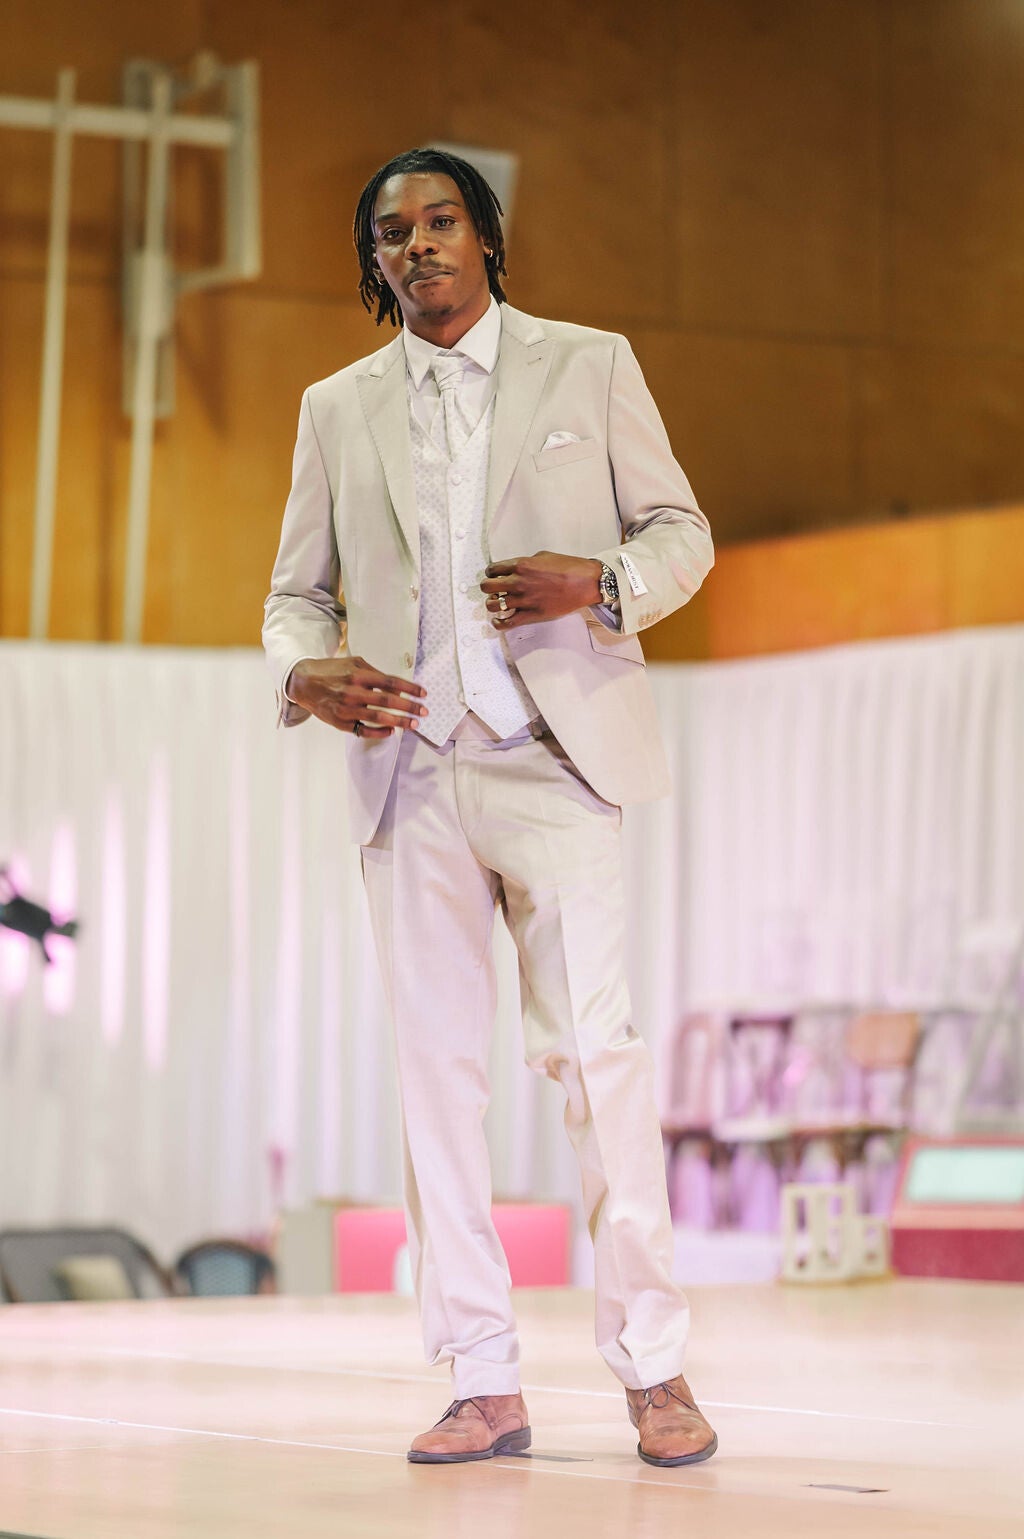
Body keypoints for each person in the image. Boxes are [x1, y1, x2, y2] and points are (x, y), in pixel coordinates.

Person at [263, 147, 717, 1468]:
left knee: (598, 1061)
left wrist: (602, 583)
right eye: (391, 233)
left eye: (440, 220)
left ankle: (654, 1368)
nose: (417, 245)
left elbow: (681, 532)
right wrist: (301, 671)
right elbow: (297, 594)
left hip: (558, 759)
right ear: (375, 261)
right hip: (410, 774)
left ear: (484, 234)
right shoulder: (336, 407)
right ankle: (481, 1378)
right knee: (436, 1080)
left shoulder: (592, 364)